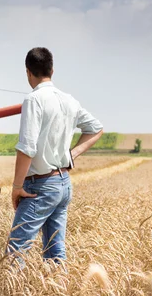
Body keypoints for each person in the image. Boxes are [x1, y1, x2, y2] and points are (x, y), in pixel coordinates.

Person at [8, 47, 103, 264]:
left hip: (40, 186)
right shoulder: (69, 100)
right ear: (52, 70)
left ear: (28, 72)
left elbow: (27, 148)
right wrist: (72, 155)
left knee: (15, 254)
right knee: (55, 252)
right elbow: (96, 128)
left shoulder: (33, 100)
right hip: (63, 185)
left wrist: (16, 187)